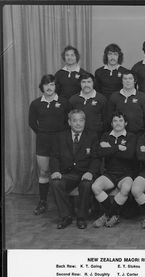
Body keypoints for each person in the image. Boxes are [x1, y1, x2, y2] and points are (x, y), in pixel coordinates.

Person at [50, 109, 100, 229]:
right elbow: (54, 157)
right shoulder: (60, 136)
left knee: (86, 185)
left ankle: (81, 217)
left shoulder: (92, 136)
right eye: (75, 120)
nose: (78, 123)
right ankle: (65, 216)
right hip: (67, 174)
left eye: (81, 120)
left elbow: (96, 158)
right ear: (69, 122)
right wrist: (56, 170)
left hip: (84, 174)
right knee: (56, 183)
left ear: (84, 122)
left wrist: (90, 172)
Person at [29, 74, 70, 215]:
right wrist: (43, 133)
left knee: (63, 172)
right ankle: (43, 202)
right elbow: (32, 123)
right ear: (42, 87)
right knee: (44, 172)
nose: (49, 87)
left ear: (56, 87)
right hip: (43, 142)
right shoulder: (35, 104)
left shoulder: (64, 102)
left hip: (60, 142)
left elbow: (67, 122)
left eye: (52, 84)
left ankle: (66, 204)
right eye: (46, 84)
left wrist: (60, 136)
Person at [91, 112, 137, 228]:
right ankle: (114, 214)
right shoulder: (106, 135)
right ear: (111, 124)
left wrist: (110, 149)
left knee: (126, 188)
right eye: (115, 121)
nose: (118, 123)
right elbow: (100, 152)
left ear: (125, 123)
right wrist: (118, 148)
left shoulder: (131, 136)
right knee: (95, 187)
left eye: (120, 120)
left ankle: (107, 214)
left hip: (126, 174)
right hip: (109, 173)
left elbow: (129, 155)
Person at [108, 70, 145, 135]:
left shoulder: (142, 96)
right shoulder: (114, 96)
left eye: (130, 78)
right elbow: (109, 116)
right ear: (122, 81)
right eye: (125, 79)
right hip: (119, 134)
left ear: (135, 81)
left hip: (138, 134)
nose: (127, 81)